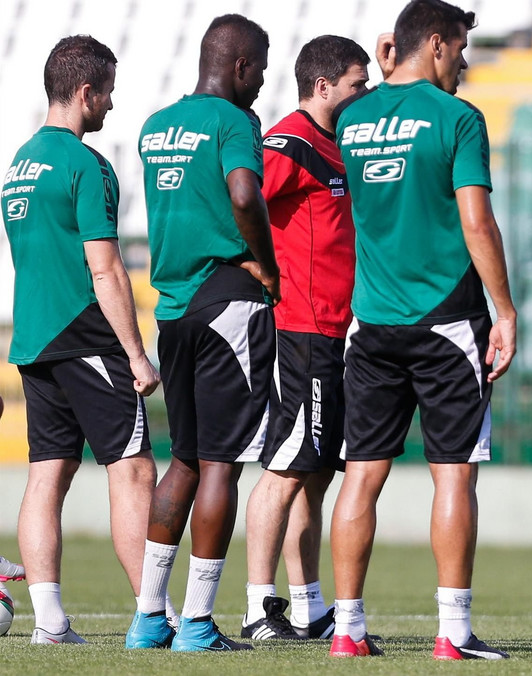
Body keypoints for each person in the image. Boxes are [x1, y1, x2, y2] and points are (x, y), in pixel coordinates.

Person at [328, 0, 516, 659]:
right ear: (437, 44)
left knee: (361, 476)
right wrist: (505, 309)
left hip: (371, 322)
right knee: (454, 476)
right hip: (446, 321)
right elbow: (476, 222)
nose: (463, 63)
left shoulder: (352, 117)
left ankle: (346, 630)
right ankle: (452, 634)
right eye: (460, 49)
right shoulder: (459, 119)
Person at [2, 35, 160, 645]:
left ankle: (50, 622)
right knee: (133, 470)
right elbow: (105, 267)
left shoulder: (19, 162)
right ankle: (156, 615)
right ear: (86, 91)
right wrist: (137, 354)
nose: (112, 108)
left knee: (47, 474)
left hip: (33, 338)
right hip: (86, 334)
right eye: (109, 95)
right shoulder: (84, 164)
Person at [130, 14, 278, 652]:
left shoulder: (155, 125)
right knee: (223, 464)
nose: (264, 80)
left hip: (172, 308)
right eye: (262, 67)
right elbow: (245, 194)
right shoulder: (235, 122)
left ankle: (146, 619)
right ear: (240, 65)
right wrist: (267, 265)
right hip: (228, 302)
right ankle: (195, 623)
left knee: (183, 462)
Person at [239, 34, 369, 642]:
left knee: (314, 472)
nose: (362, 92)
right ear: (324, 86)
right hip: (304, 328)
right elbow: (239, 205)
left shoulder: (333, 142)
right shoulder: (290, 141)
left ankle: (310, 605)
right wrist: (263, 272)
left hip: (337, 329)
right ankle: (258, 607)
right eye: (355, 83)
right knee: (287, 468)